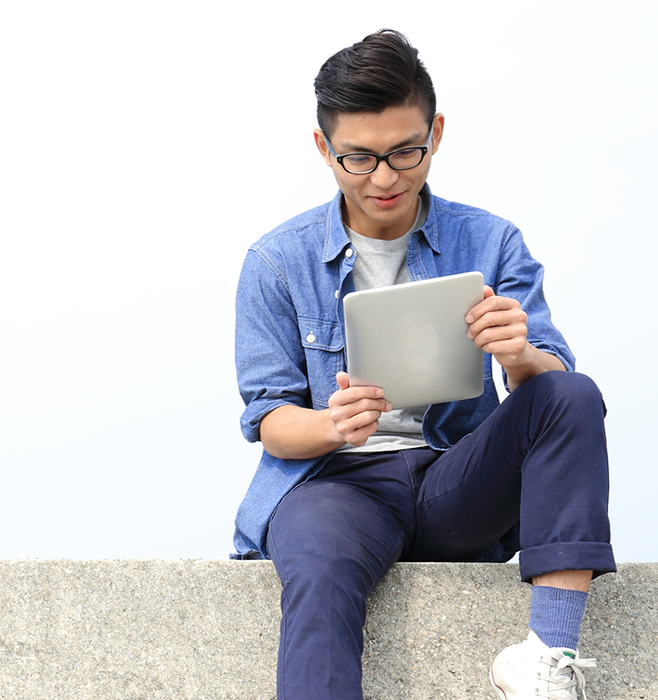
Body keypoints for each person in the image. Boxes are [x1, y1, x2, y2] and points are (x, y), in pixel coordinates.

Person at [230, 29, 613, 700]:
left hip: (452, 481)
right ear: (324, 149)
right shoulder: (275, 262)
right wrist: (332, 427)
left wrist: (519, 355)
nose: (385, 178)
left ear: (436, 133)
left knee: (571, 392)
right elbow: (268, 419)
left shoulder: (490, 240)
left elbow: (550, 403)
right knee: (318, 569)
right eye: (359, 158)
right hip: (336, 486)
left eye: (406, 152)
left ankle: (549, 655)